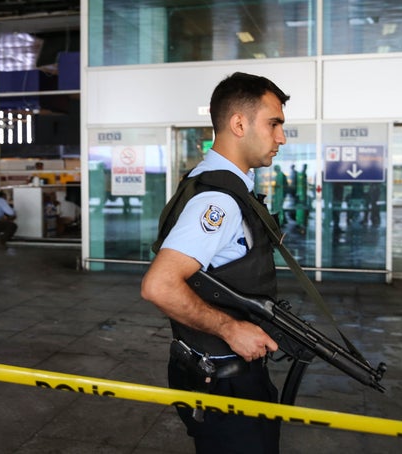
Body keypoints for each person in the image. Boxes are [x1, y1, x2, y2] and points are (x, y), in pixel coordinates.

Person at [141, 72, 289, 454]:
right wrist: (230, 329)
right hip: (224, 379)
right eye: (274, 124)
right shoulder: (219, 200)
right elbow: (160, 285)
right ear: (239, 123)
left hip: (209, 371)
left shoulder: (209, 182)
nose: (281, 138)